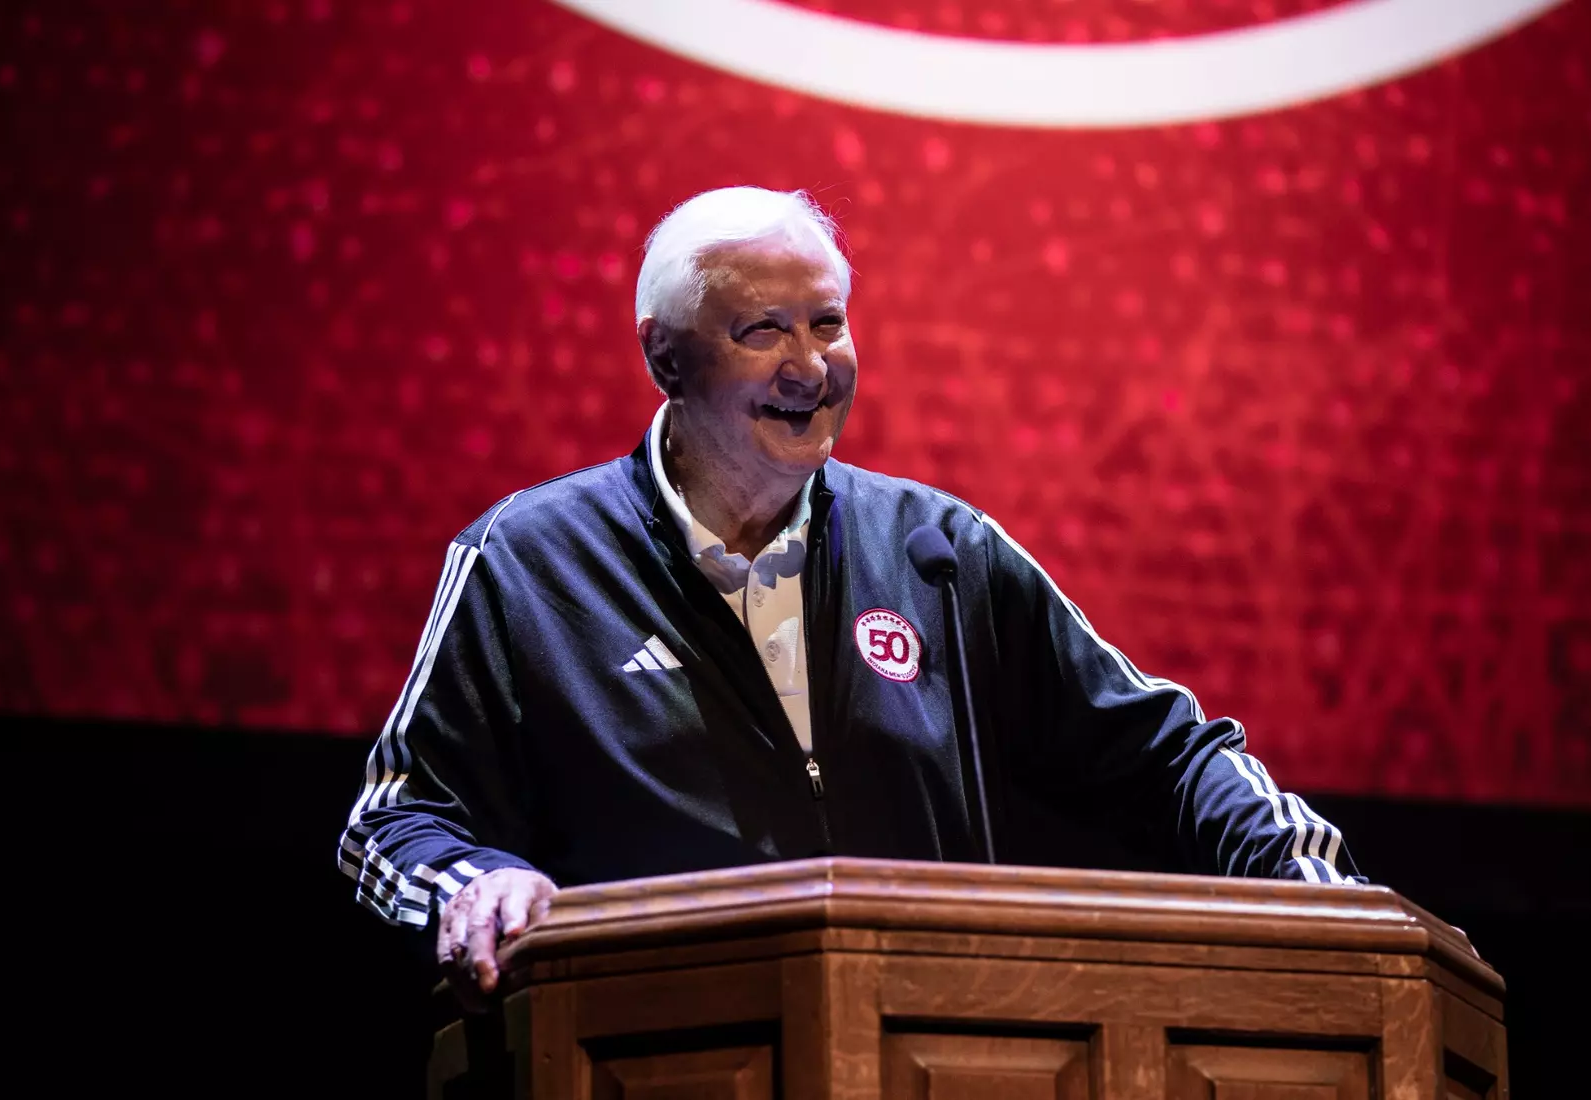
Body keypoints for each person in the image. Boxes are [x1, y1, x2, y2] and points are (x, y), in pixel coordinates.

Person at [338, 185, 1362, 1003]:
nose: (813, 364)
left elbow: (1168, 754)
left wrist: (1335, 903)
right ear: (665, 355)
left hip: (933, 1056)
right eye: (764, 330)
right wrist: (469, 884)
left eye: (830, 321)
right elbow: (390, 821)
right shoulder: (528, 559)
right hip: (647, 1057)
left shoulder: (935, 550)